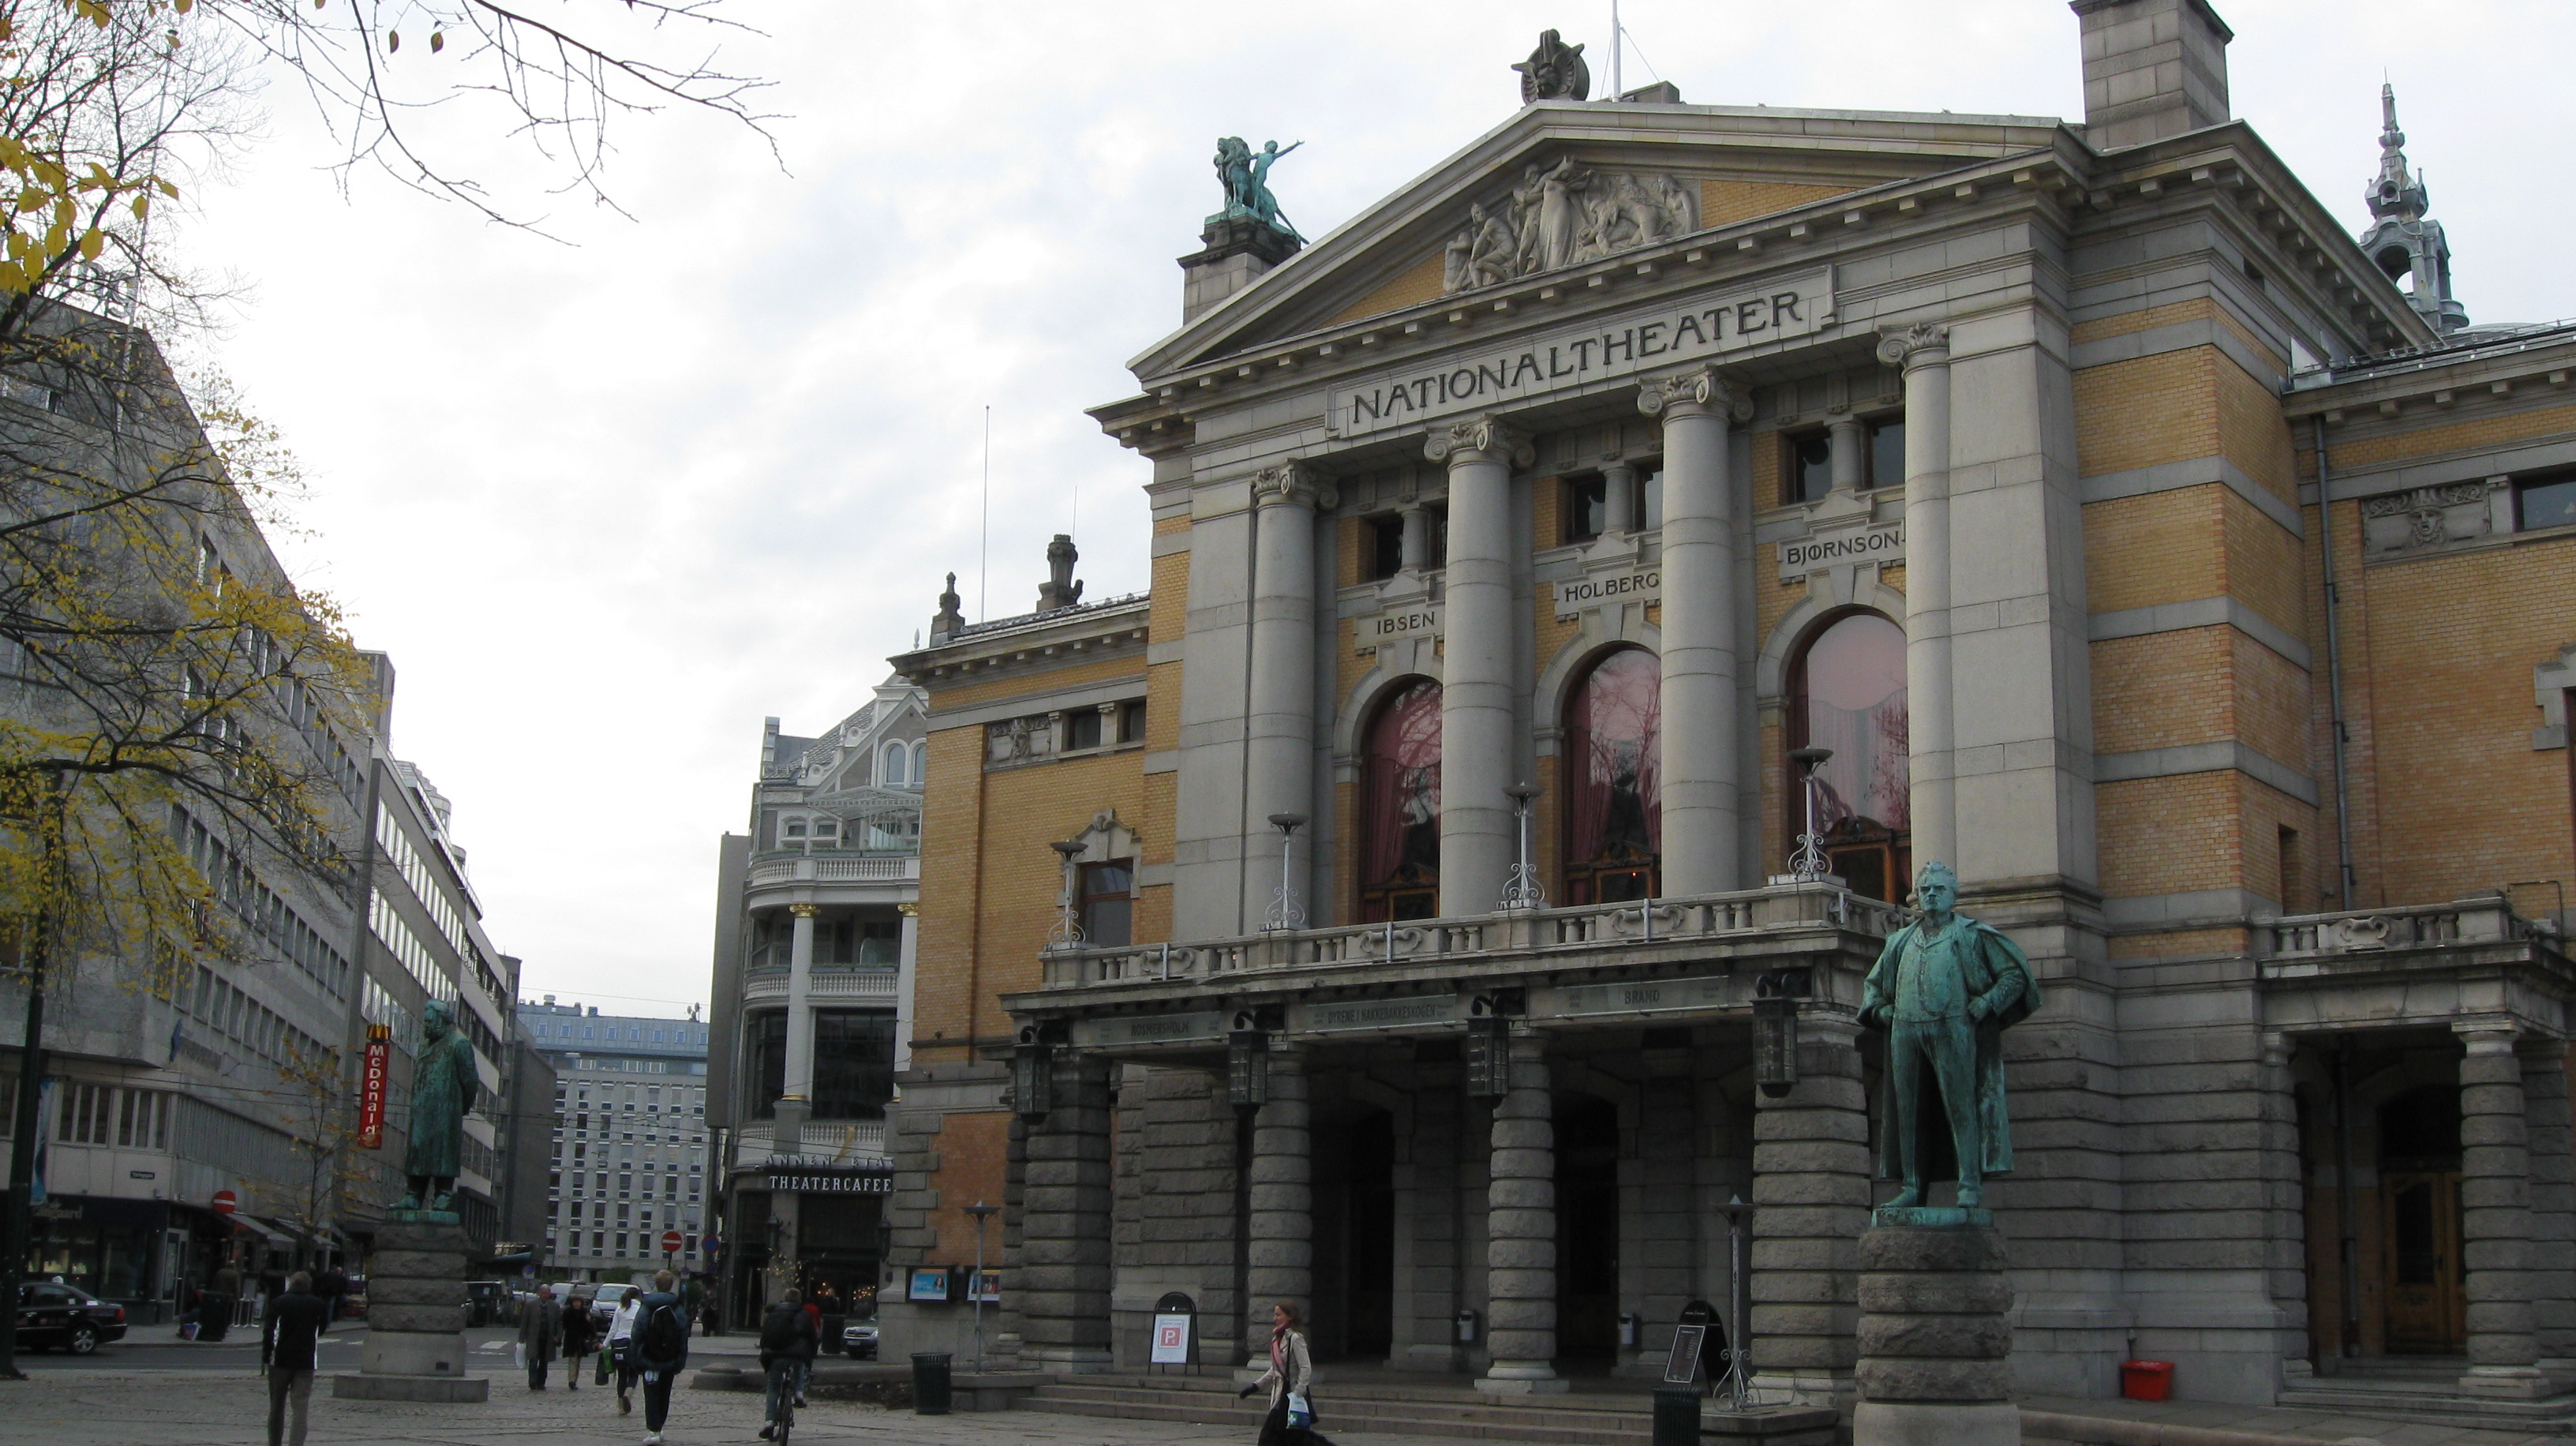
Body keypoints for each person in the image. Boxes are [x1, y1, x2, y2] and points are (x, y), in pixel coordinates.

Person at [1237, 1302, 1335, 1446]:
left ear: (1289, 1316)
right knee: (1291, 1438)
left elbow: (1306, 1368)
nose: (1275, 1318)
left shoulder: (1295, 1339)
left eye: (1278, 1315)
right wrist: (1256, 1386)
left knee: (1280, 1437)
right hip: (1280, 1396)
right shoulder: (1277, 1339)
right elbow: (1275, 1369)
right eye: (1275, 1314)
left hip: (1291, 1396)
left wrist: (1298, 1392)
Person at [259, 1270, 331, 1446]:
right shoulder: (318, 1304)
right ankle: (296, 1443)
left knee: (277, 1407)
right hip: (306, 1361)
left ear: (291, 1284)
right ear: (309, 1285)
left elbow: (269, 1332)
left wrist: (266, 1356)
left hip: (280, 1360)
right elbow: (322, 1328)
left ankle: (274, 1442)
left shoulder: (278, 1302)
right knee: (300, 1408)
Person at [635, 1269, 691, 1445]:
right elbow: (683, 1338)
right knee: (664, 1393)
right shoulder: (678, 1308)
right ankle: (659, 1427)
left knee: (651, 1394)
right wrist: (680, 1361)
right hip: (669, 1358)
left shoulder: (646, 1307)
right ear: (671, 1285)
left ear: (656, 1285)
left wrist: (636, 1359)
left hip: (650, 1359)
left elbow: (637, 1334)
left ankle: (654, 1429)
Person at [756, 1288, 818, 1441]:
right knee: (799, 1365)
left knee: (773, 1387)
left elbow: (765, 1336)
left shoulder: (773, 1314)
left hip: (775, 1355)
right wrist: (812, 1354)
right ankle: (799, 1392)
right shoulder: (804, 1314)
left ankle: (769, 1422)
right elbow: (812, 1336)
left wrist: (765, 1352)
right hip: (797, 1354)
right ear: (799, 1300)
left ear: (784, 1299)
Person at [607, 1286, 644, 1414]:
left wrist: (605, 1344)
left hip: (618, 1344)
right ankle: (628, 1394)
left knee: (621, 1375)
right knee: (634, 1373)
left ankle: (621, 1407)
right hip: (632, 1343)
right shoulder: (640, 1309)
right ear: (638, 1296)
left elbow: (613, 1329)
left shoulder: (620, 1308)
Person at [519, 1283, 562, 1389]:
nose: (545, 1295)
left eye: (547, 1293)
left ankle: (541, 1382)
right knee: (533, 1359)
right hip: (534, 1337)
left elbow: (559, 1323)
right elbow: (524, 1322)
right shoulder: (530, 1305)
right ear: (539, 1293)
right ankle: (532, 1380)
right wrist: (521, 1339)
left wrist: (558, 1336)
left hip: (548, 1338)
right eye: (543, 1293)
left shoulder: (555, 1306)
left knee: (544, 1361)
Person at [560, 1289, 597, 1391]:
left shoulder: (585, 1312)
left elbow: (591, 1327)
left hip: (582, 1340)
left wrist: (593, 1337)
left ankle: (574, 1380)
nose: (576, 1304)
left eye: (578, 1302)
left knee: (578, 1360)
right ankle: (571, 1381)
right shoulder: (567, 1312)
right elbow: (563, 1325)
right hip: (571, 1339)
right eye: (574, 1302)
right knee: (573, 1359)